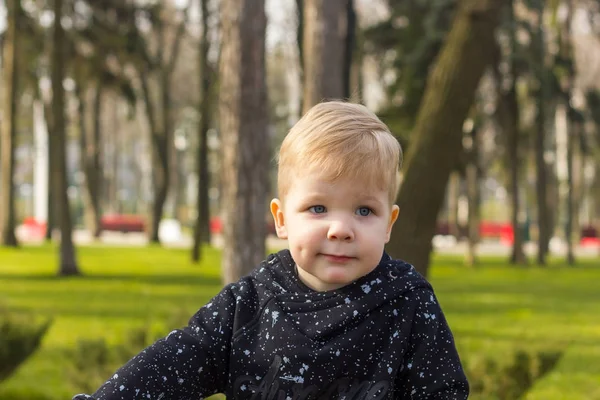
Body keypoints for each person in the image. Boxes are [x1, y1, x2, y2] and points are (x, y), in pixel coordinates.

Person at [73, 101, 468, 400]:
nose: (340, 229)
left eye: (364, 210)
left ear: (389, 224)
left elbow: (443, 391)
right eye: (318, 208)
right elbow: (177, 359)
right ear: (281, 219)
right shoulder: (250, 303)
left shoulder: (408, 303)